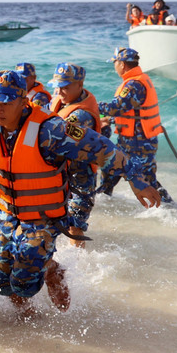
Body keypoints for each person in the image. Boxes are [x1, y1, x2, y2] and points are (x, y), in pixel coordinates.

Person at [0, 70, 161, 318]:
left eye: (5, 103)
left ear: (23, 101)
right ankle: (28, 314)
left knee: (23, 281)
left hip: (42, 218)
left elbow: (101, 148)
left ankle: (51, 274)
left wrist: (136, 179)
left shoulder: (52, 129)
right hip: (6, 215)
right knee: (3, 285)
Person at [97, 47, 172, 202]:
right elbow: (131, 112)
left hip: (139, 143)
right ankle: (101, 201)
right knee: (111, 170)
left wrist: (91, 105)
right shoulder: (138, 80)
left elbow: (117, 107)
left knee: (146, 179)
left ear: (122, 64)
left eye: (115, 62)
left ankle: (168, 209)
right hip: (131, 140)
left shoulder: (133, 85)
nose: (114, 66)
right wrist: (109, 120)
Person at [46, 63, 102, 248]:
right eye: (57, 86)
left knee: (75, 226)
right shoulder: (62, 101)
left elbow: (55, 134)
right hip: (61, 174)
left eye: (65, 87)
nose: (60, 91)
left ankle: (76, 265)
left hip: (80, 177)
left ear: (80, 84)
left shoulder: (81, 115)